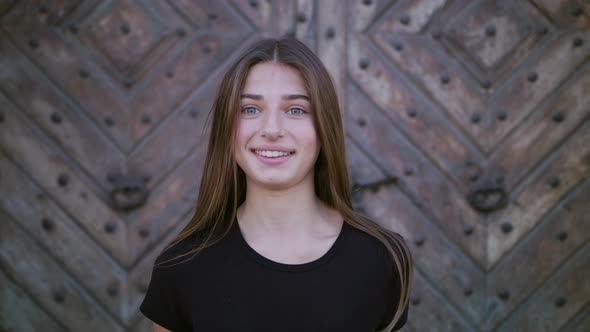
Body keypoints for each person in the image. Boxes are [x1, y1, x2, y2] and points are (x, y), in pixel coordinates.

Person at [139, 36, 413, 332]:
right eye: (250, 109)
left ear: (324, 127)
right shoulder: (182, 265)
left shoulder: (381, 258)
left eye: (295, 110)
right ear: (227, 129)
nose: (271, 130)